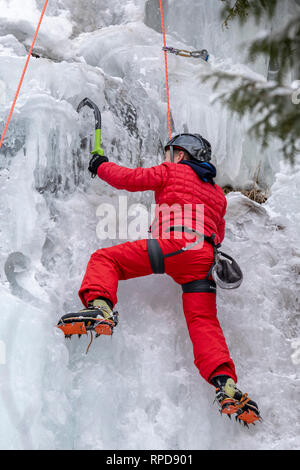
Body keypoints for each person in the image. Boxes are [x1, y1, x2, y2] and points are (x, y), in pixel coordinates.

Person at [58, 133, 261, 425]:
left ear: (181, 155)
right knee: (203, 322)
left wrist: (100, 165)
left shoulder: (172, 170)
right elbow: (219, 231)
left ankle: (101, 307)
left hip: (175, 244)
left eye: (171, 152)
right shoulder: (217, 194)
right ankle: (225, 384)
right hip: (203, 258)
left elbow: (129, 178)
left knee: (106, 259)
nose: (167, 157)